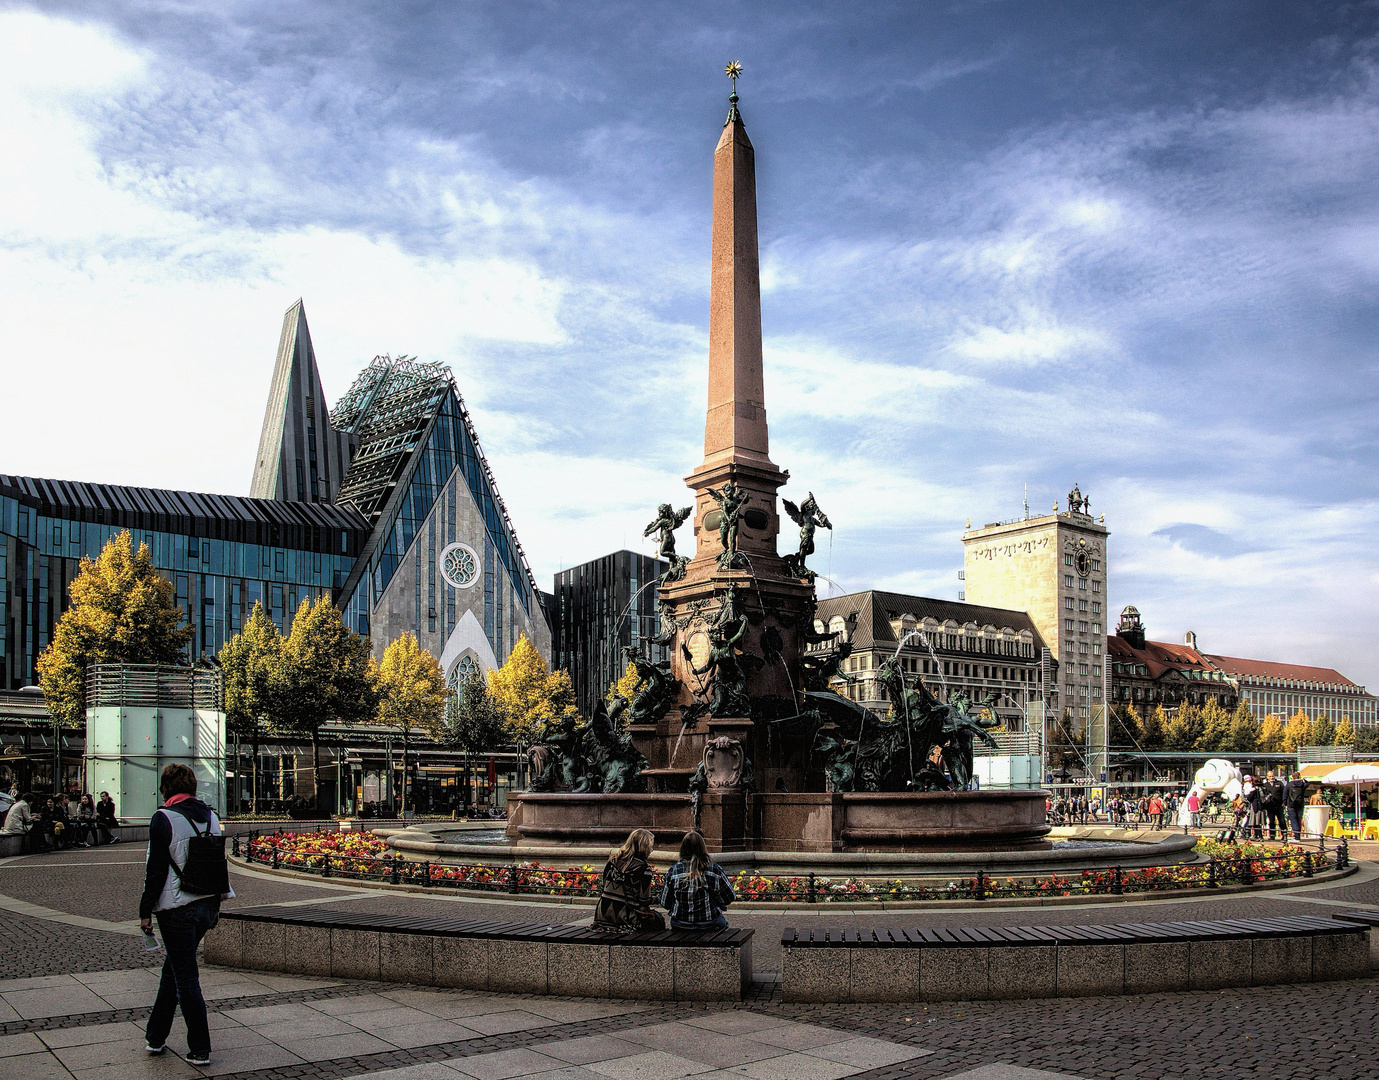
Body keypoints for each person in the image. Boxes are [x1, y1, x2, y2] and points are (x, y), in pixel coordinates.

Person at [140, 764, 234, 1067]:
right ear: (192, 786)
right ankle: (155, 1036)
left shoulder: (163, 818)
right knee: (174, 970)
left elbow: (155, 871)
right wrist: (216, 907)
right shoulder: (211, 816)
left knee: (185, 978)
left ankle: (200, 1048)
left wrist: (145, 912)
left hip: (176, 908)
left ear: (166, 787)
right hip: (206, 905)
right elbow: (217, 864)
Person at [660, 831, 734, 931]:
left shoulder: (674, 871)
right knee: (723, 923)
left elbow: (664, 902)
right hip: (709, 922)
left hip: (681, 923)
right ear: (703, 847)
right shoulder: (714, 869)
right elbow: (729, 897)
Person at [593, 828, 665, 932]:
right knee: (658, 919)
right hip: (625, 919)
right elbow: (644, 900)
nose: (651, 850)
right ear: (645, 847)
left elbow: (603, 887)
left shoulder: (612, 862)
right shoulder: (644, 869)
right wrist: (657, 899)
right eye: (651, 847)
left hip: (602, 916)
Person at [1261, 770, 1287, 841]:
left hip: (1279, 805)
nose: (1271, 777)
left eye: (1272, 776)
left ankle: (1284, 834)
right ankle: (1272, 835)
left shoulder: (1279, 783)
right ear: (1267, 777)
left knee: (1281, 820)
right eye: (1270, 776)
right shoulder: (1265, 785)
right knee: (1271, 821)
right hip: (1270, 806)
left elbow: (1284, 793)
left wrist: (1284, 802)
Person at [1285, 771, 1308, 840]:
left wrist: (1285, 803)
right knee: (1298, 819)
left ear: (1292, 777)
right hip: (1300, 804)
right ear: (1299, 777)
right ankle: (1298, 836)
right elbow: (1308, 784)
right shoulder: (1302, 785)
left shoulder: (1289, 785)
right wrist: (1303, 780)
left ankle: (1295, 836)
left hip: (1291, 804)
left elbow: (1285, 794)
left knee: (1293, 820)